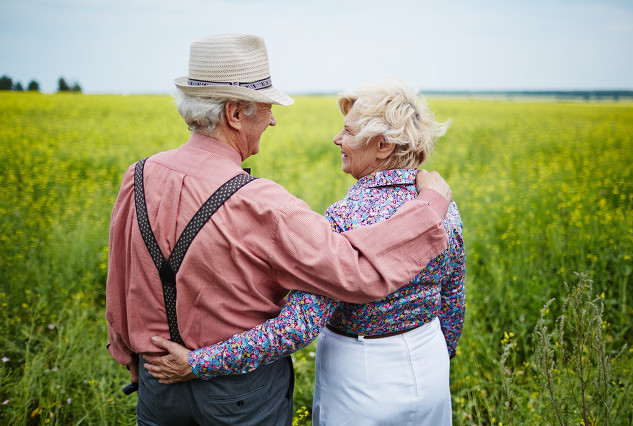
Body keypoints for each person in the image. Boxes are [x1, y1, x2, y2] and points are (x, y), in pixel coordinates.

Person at [105, 33, 453, 425]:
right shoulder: (262, 203)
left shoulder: (138, 176)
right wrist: (431, 207)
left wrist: (128, 357)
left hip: (157, 384)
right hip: (240, 397)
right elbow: (355, 271)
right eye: (265, 108)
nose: (273, 119)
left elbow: (119, 279)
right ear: (235, 113)